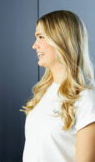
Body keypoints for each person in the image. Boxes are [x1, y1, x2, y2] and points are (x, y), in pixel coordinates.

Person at [22, 10, 95, 162]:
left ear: (61, 40)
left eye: (41, 37)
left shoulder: (86, 99)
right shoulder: (43, 93)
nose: (34, 45)